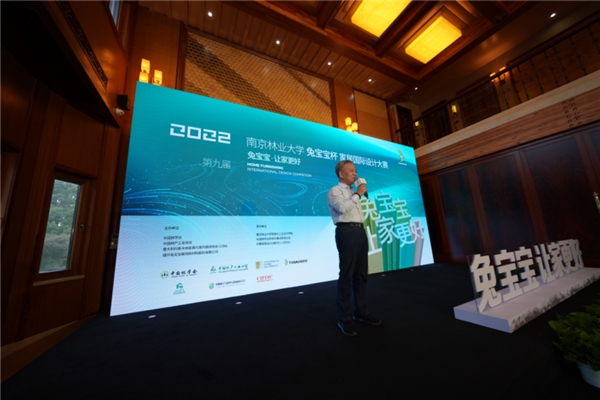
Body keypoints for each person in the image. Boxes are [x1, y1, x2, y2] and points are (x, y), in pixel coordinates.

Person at [327, 160, 381, 336]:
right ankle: (344, 319)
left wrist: (357, 193)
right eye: (351, 171)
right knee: (346, 275)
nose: (354, 173)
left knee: (361, 275)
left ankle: (361, 312)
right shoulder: (335, 191)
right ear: (341, 174)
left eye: (355, 170)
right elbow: (343, 209)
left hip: (359, 232)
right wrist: (358, 193)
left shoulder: (353, 192)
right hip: (346, 232)